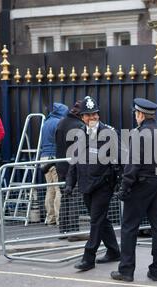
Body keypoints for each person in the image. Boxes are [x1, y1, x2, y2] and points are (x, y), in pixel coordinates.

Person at [111, 98, 157, 282]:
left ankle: (126, 270)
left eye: (136, 114)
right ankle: (156, 271)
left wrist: (125, 186)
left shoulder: (139, 134)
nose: (135, 117)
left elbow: (133, 164)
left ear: (140, 114)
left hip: (141, 184)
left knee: (129, 227)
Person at [65, 96, 121, 270]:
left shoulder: (109, 133)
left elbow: (118, 161)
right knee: (101, 220)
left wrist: (118, 184)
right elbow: (74, 161)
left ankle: (88, 258)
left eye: (94, 114)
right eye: (88, 115)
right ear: (82, 117)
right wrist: (69, 183)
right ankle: (114, 251)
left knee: (96, 221)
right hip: (85, 184)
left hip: (103, 186)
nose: (92, 118)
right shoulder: (80, 133)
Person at [55, 101, 88, 241]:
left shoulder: (61, 122)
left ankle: (63, 230)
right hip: (72, 167)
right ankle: (73, 231)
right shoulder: (78, 126)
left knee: (65, 197)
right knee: (74, 197)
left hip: (60, 165)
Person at [39, 102, 68, 225]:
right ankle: (59, 219)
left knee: (50, 189)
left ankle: (50, 217)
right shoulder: (58, 123)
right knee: (59, 189)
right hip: (54, 158)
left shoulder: (46, 123)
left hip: (44, 158)